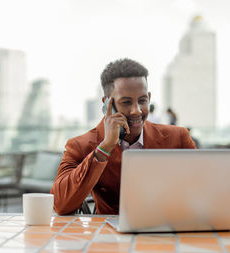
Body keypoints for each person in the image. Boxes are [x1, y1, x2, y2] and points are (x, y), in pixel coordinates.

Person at [50, 58, 196, 215]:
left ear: (149, 98)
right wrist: (104, 148)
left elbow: (201, 189)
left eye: (142, 101)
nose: (136, 111)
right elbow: (60, 204)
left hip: (170, 228)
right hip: (110, 235)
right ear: (107, 104)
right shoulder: (80, 145)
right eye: (126, 102)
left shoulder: (178, 137)